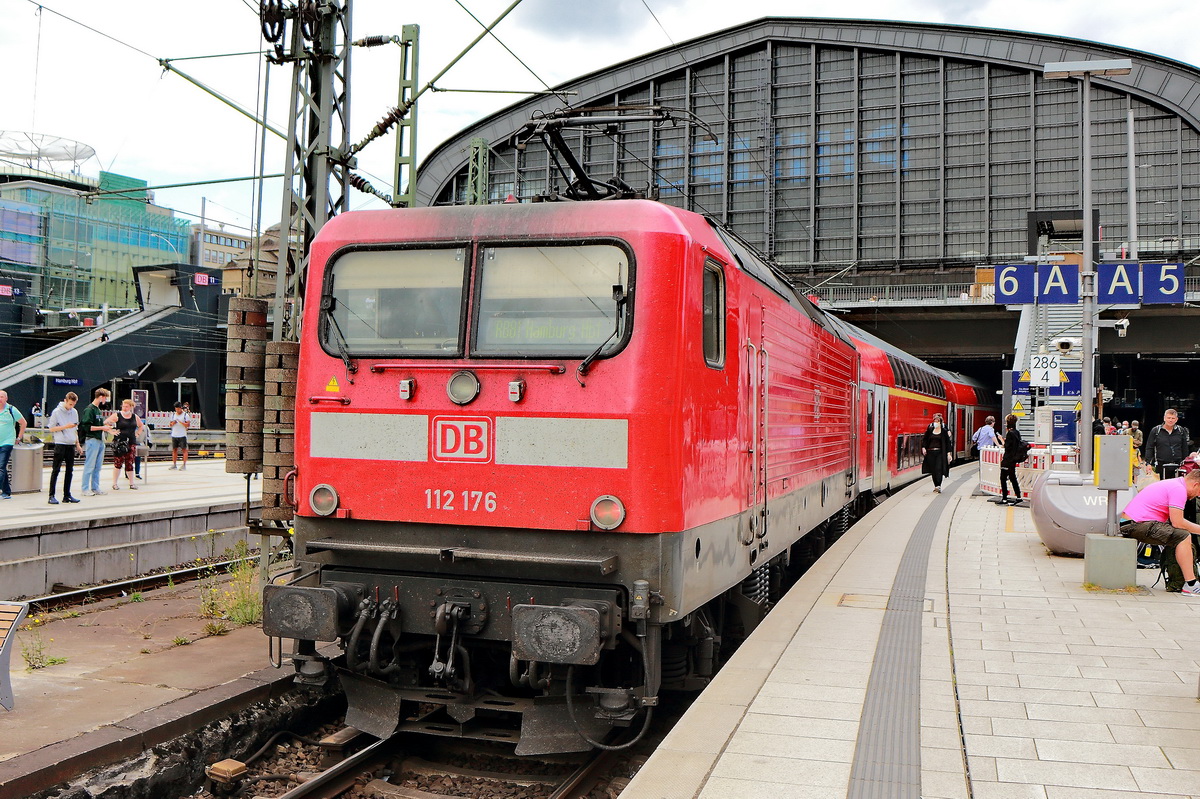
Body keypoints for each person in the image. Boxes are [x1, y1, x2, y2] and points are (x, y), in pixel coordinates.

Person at [1118, 469, 1200, 596]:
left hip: (1131, 523)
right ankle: (1191, 584)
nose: (1197, 495)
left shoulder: (1174, 484)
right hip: (1135, 525)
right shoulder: (1179, 490)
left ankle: (1180, 581)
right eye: (1199, 492)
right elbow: (1178, 522)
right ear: (1196, 484)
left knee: (1180, 535)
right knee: (1183, 536)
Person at [46, 392, 83, 504]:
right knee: (56, 469)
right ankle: (51, 495)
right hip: (60, 443)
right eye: (70, 404)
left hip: (70, 443)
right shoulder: (57, 412)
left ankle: (67, 495)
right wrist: (65, 426)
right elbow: (51, 428)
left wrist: (77, 444)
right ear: (65, 401)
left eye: (73, 404)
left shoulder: (74, 412)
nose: (71, 407)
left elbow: (75, 429)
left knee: (69, 470)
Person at [79, 388, 114, 496]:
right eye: (105, 398)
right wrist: (102, 428)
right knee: (89, 465)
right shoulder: (89, 410)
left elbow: (98, 425)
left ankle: (95, 487)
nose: (106, 400)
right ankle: (85, 488)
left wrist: (105, 426)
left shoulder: (98, 410)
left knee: (97, 466)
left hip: (99, 440)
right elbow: (87, 427)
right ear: (101, 397)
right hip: (92, 440)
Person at [105, 398, 144, 491]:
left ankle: (131, 483)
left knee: (130, 462)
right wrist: (111, 431)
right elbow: (106, 423)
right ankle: (114, 483)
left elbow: (141, 425)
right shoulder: (117, 415)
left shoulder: (134, 416)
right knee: (118, 462)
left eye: (126, 406)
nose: (124, 408)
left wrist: (138, 433)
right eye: (123, 406)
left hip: (131, 441)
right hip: (120, 442)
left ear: (131, 407)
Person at [1146, 408, 1191, 480]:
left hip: (1177, 465)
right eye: (1168, 418)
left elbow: (1184, 447)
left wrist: (1185, 462)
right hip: (1160, 465)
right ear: (1164, 418)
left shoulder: (1181, 431)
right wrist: (1148, 463)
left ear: (1176, 419)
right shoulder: (1156, 431)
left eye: (1173, 418)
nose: (1170, 420)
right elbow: (1149, 447)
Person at [0, 389, 27, 500]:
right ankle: (6, 491)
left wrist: (19, 437)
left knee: (1, 466)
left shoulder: (11, 410)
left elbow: (23, 422)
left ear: (6, 398)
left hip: (7, 442)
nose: (0, 399)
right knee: (2, 467)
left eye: (2, 397)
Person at [994, 413, 1026, 505]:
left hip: (1007, 460)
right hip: (1014, 459)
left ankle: (1004, 498)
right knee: (1013, 478)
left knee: (1003, 478)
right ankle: (1019, 497)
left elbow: (1006, 447)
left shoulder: (1010, 434)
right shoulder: (1017, 432)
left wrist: (1001, 439)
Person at [921, 412, 952, 493]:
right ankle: (936, 485)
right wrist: (924, 448)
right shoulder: (930, 429)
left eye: (937, 421)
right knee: (933, 470)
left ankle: (938, 486)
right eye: (935, 421)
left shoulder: (944, 431)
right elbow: (925, 439)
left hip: (940, 452)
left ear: (940, 422)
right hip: (930, 452)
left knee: (938, 468)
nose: (936, 423)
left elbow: (948, 443)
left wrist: (949, 454)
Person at [169, 401, 191, 470]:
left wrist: (181, 422)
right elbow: (170, 424)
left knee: (184, 450)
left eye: (178, 409)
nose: (177, 410)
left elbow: (188, 425)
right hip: (174, 434)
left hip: (182, 435)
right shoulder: (173, 415)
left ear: (181, 408)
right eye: (176, 409)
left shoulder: (185, 415)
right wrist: (173, 423)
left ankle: (184, 464)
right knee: (174, 450)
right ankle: (174, 464)